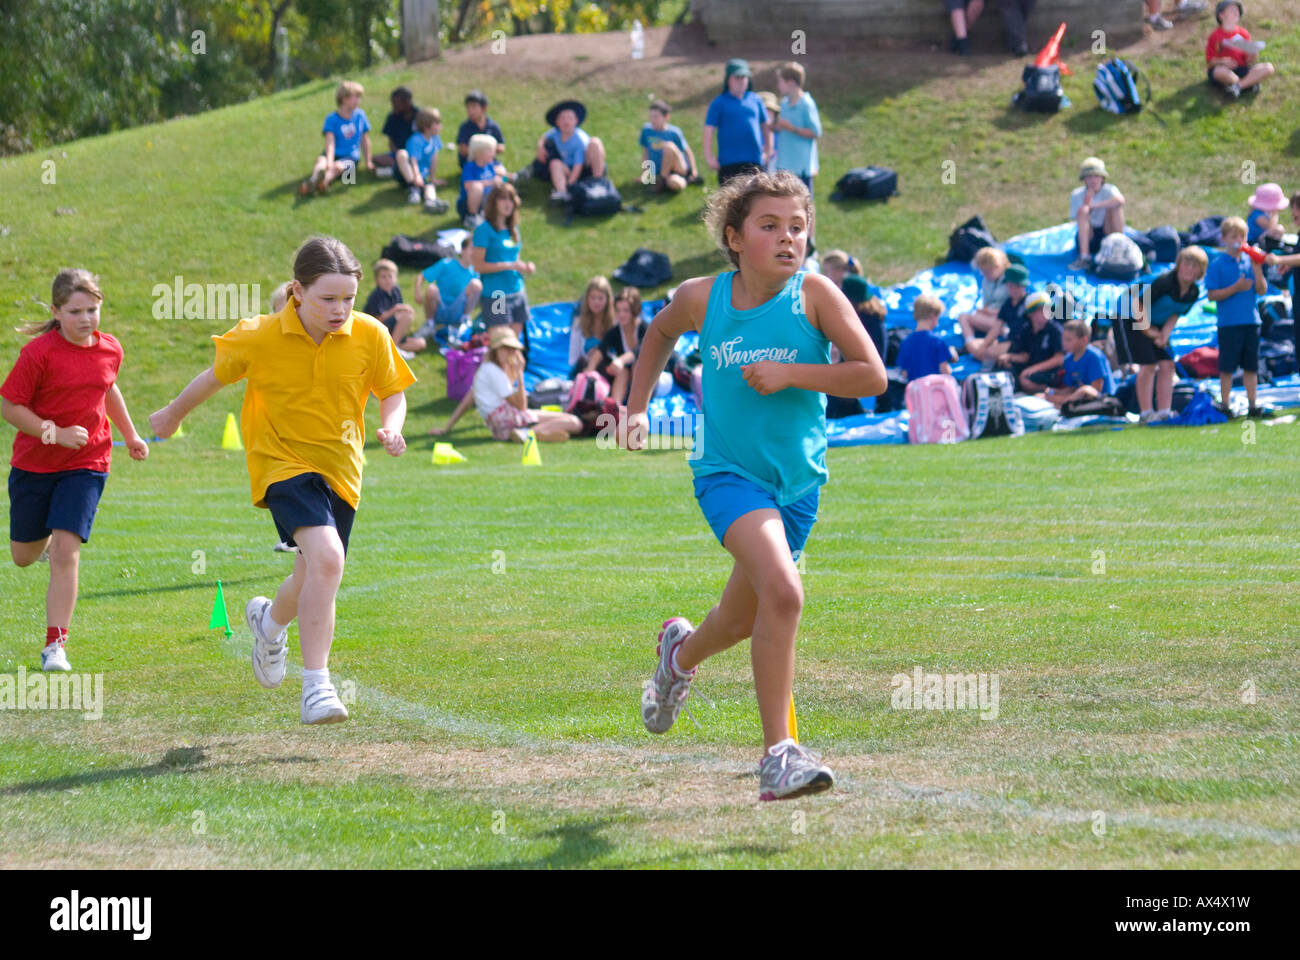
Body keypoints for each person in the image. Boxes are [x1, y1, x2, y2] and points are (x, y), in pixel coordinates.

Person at [623, 170, 886, 802]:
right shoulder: (700, 298)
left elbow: (872, 377)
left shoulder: (817, 295)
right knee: (786, 595)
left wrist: (793, 372)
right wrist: (634, 408)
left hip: (797, 487)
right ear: (735, 238)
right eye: (770, 226)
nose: (788, 238)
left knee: (742, 620)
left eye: (798, 226)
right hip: (726, 476)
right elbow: (658, 334)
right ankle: (779, 757)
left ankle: (679, 657)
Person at [148, 236, 415, 725]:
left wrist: (391, 428)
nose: (340, 310)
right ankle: (317, 687)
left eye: (349, 299)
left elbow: (392, 391)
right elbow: (214, 377)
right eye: (327, 299)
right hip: (281, 465)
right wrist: (172, 413)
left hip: (341, 469)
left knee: (313, 571)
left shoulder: (371, 334)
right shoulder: (260, 335)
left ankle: (268, 624)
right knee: (329, 558)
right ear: (297, 290)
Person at [1, 268, 149, 673]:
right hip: (34, 464)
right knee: (23, 556)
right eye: (75, 311)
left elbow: (108, 388)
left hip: (88, 462)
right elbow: (10, 406)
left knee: (68, 551)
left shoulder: (110, 349)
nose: (86, 319)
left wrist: (131, 435)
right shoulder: (38, 354)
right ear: (56, 311)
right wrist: (54, 433)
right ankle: (46, 538)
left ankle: (55, 646)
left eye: (93, 309)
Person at [1115, 246, 1207, 422]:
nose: (1189, 269)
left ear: (1200, 271)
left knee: (1167, 365)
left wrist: (1164, 335)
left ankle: (1164, 412)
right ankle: (1146, 414)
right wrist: (1149, 332)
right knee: (1148, 365)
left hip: (1155, 323)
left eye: (1195, 266)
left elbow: (1175, 313)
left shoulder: (1193, 292)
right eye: (1186, 264)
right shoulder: (1165, 282)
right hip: (1129, 316)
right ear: (1178, 265)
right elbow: (1138, 305)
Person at [471, 327, 582, 443]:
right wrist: (519, 374)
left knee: (568, 420)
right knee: (574, 422)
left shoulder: (488, 369)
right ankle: (528, 434)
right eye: (506, 348)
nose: (511, 352)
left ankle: (534, 432)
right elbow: (521, 406)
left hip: (501, 421)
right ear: (495, 350)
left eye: (513, 349)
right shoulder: (494, 371)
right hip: (508, 417)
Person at [1206, 216, 1266, 417]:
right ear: (1223, 239)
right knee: (1227, 367)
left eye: (1242, 236)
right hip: (1229, 324)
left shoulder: (1250, 262)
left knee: (1251, 366)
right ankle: (1225, 404)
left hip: (1251, 321)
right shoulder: (1217, 264)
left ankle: (1252, 403)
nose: (1239, 240)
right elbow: (1212, 295)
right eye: (1234, 236)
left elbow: (1262, 290)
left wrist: (1258, 270)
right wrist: (1236, 288)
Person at [473, 182, 534, 341]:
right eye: (503, 199)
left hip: (517, 290)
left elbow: (514, 258)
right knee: (500, 341)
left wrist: (524, 266)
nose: (508, 203)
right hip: (497, 294)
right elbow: (478, 265)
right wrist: (510, 266)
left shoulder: (513, 229)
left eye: (511, 199)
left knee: (514, 341)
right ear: (494, 202)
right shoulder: (483, 231)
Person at [703, 59, 772, 187]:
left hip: (754, 160)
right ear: (728, 79)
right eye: (737, 77)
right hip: (729, 162)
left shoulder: (756, 100)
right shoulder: (719, 102)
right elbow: (708, 130)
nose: (741, 81)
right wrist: (709, 157)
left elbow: (766, 127)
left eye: (744, 77)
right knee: (729, 202)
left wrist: (768, 150)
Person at [299, 81, 372, 196]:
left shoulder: (360, 116)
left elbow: (365, 140)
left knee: (338, 167)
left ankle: (323, 182)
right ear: (344, 99)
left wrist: (368, 161)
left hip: (351, 157)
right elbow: (330, 142)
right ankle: (313, 181)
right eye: (356, 97)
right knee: (321, 161)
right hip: (332, 154)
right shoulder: (332, 119)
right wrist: (329, 161)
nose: (359, 100)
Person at [533, 100, 606, 204]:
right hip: (568, 168)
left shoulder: (579, 140)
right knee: (555, 163)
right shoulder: (556, 133)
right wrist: (540, 147)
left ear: (576, 121)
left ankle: (597, 183)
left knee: (595, 142)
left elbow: (578, 165)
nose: (566, 122)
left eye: (569, 118)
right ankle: (562, 192)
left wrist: (571, 184)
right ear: (557, 122)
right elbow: (544, 136)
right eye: (562, 118)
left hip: (583, 168)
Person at [415, 237, 482, 343]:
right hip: (439, 308)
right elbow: (421, 276)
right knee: (431, 289)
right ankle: (429, 324)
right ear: (463, 250)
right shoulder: (446, 264)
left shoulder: (475, 272)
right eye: (472, 248)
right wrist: (417, 292)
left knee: (477, 285)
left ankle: (464, 321)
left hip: (458, 312)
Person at [588, 289, 649, 404]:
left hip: (649, 382)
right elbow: (601, 350)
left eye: (626, 310)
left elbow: (641, 349)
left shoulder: (644, 329)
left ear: (635, 311)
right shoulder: (615, 331)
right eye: (618, 310)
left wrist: (621, 360)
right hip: (628, 383)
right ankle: (616, 407)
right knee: (623, 371)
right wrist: (590, 370)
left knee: (637, 365)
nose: (621, 315)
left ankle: (638, 406)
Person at [774, 63, 822, 207]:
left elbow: (816, 132)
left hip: (801, 165)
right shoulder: (784, 103)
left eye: (780, 82)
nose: (778, 86)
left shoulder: (806, 104)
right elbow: (782, 128)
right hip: (784, 163)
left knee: (804, 205)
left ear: (791, 82)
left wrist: (792, 128)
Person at [997, 291, 1064, 393]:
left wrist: (1032, 369)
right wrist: (1009, 357)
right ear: (1030, 313)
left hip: (1048, 371)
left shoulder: (1055, 330)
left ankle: (1049, 391)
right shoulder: (1026, 329)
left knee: (1027, 379)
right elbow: (1025, 355)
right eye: (1041, 310)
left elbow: (1059, 358)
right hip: (1031, 365)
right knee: (1005, 367)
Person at [1206, 1, 1274, 99]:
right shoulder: (1215, 36)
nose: (1236, 12)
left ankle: (1237, 87)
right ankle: (1248, 84)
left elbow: (1249, 61)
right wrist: (1223, 61)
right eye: (1232, 10)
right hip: (1226, 71)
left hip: (1243, 69)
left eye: (1237, 10)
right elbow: (1209, 62)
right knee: (1218, 71)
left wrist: (1253, 52)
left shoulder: (1243, 33)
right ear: (1221, 15)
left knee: (1268, 68)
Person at [1069, 156, 1126, 271]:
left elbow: (1120, 201)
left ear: (1102, 178)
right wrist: (1087, 204)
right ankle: (1084, 256)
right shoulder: (1077, 194)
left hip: (1107, 232)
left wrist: (1096, 205)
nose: (1093, 180)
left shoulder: (1109, 190)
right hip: (1089, 237)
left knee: (1115, 207)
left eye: (1096, 176)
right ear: (1084, 179)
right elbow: (1078, 217)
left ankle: (1119, 245)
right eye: (1089, 177)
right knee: (1083, 210)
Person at [1046, 319, 1117, 408]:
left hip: (1104, 399)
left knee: (1085, 390)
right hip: (1079, 397)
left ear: (1084, 340)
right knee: (1045, 393)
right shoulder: (1068, 359)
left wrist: (1061, 398)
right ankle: (1060, 401)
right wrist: (1054, 392)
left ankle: (1061, 402)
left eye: (1068, 340)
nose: (1064, 344)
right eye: (1063, 340)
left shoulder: (1094, 356)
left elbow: (1095, 391)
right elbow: (1072, 388)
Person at [965, 262, 1029, 361]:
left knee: (989, 353)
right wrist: (984, 345)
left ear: (1023, 286)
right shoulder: (1008, 303)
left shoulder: (1029, 303)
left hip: (1024, 344)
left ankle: (998, 362)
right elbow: (997, 327)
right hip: (1010, 340)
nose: (1013, 290)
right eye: (1010, 286)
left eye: (1016, 286)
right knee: (973, 345)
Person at [364, 258, 425, 358]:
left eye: (390, 276)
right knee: (406, 315)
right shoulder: (376, 295)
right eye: (383, 277)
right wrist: (396, 309)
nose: (387, 280)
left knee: (421, 343)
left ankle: (390, 348)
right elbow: (376, 320)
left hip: (392, 333)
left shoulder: (396, 290)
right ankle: (393, 350)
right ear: (377, 280)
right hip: (378, 332)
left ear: (395, 278)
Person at [395, 108, 450, 214]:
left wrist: (432, 178)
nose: (440, 126)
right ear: (426, 126)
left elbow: (434, 159)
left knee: (429, 187)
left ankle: (431, 203)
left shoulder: (435, 139)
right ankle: (413, 188)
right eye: (437, 123)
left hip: (421, 176)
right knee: (401, 154)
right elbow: (413, 161)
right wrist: (416, 176)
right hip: (407, 174)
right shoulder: (416, 140)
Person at [639, 100, 700, 192]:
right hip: (660, 172)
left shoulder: (674, 132)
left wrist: (694, 172)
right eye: (651, 116)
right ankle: (663, 181)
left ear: (666, 117)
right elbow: (645, 152)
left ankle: (662, 182)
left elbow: (688, 152)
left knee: (669, 147)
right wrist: (644, 175)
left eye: (656, 116)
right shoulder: (646, 131)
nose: (652, 120)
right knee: (673, 183)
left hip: (678, 168)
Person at [957, 246, 1012, 345]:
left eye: (987, 272)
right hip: (991, 317)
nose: (985, 275)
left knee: (970, 319)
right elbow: (986, 303)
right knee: (963, 317)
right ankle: (971, 342)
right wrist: (985, 311)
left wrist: (992, 312)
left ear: (997, 267)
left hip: (1004, 320)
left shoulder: (1010, 281)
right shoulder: (986, 281)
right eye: (983, 272)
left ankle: (1002, 334)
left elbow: (1014, 307)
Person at [899, 294, 956, 381]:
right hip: (934, 390)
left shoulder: (905, 343)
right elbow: (945, 371)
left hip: (916, 391)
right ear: (933, 316)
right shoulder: (937, 341)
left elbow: (904, 373)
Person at [458, 134, 510, 227]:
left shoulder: (490, 166)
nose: (493, 154)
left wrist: (503, 177)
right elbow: (468, 185)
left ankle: (496, 214)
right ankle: (471, 217)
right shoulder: (470, 167)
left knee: (501, 185)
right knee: (476, 186)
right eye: (490, 151)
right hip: (468, 205)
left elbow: (501, 180)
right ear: (479, 153)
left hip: (487, 202)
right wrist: (490, 183)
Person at [570, 276, 616, 376]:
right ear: (587, 299)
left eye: (600, 298)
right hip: (585, 368)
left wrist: (600, 354)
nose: (596, 302)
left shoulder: (614, 323)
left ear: (608, 299)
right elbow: (573, 356)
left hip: (608, 370)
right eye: (593, 297)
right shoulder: (579, 323)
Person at [376, 86, 419, 181]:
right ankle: (400, 167)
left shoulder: (420, 116)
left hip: (416, 154)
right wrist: (396, 153)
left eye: (397, 104)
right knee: (375, 159)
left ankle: (401, 169)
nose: (394, 106)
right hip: (397, 154)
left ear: (407, 102)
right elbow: (391, 141)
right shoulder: (392, 117)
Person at [455, 90, 506, 169]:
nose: (470, 111)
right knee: (481, 179)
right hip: (471, 164)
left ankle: (508, 179)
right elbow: (462, 150)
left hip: (489, 162)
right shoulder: (465, 127)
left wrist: (490, 148)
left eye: (474, 107)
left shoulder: (493, 126)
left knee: (501, 173)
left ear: (484, 108)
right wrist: (480, 153)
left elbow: (501, 147)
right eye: (468, 107)